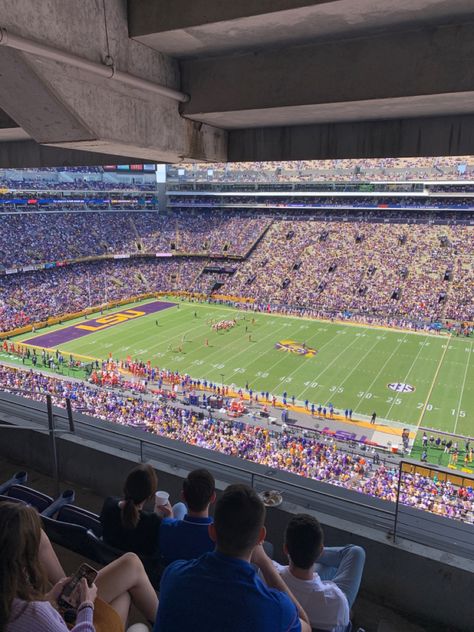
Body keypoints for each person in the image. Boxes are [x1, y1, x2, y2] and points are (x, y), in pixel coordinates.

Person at [154, 484, 311, 632]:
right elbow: (306, 626)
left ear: (212, 531)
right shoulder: (277, 608)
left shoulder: (173, 574)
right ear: (260, 537)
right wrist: (265, 563)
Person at [0, 502, 158, 632]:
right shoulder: (35, 613)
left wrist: (48, 600)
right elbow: (38, 619)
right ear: (24, 564)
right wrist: (86, 604)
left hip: (54, 617)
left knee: (126, 583)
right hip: (74, 625)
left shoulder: (12, 602)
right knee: (135, 615)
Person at [274, 514, 365, 632]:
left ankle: (305, 551)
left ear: (285, 549)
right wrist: (311, 551)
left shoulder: (266, 573)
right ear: (321, 551)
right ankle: (309, 551)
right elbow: (344, 625)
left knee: (325, 567)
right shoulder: (336, 602)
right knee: (356, 552)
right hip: (331, 607)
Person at [100, 463, 181, 557]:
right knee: (180, 508)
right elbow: (164, 547)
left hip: (108, 560)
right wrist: (169, 519)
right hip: (139, 569)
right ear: (150, 495)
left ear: (125, 487)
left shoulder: (108, 503)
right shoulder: (154, 522)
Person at [159, 468, 216, 565]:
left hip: (171, 576)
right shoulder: (218, 539)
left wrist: (169, 516)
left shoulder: (166, 527)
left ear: (183, 496)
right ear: (213, 497)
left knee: (179, 507)